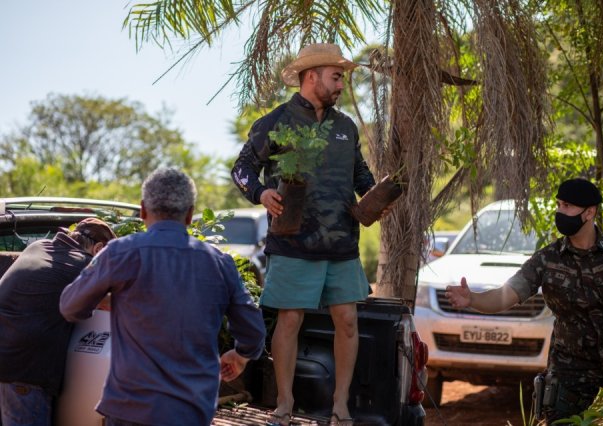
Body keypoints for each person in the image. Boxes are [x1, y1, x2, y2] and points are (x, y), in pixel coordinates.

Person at [231, 43, 376, 426]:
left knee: (347, 320)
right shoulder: (275, 122)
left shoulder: (345, 126)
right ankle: (284, 403)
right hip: (293, 241)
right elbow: (242, 168)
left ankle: (340, 406)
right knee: (290, 320)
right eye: (337, 76)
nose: (342, 84)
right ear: (312, 76)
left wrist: (376, 196)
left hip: (342, 244)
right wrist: (260, 192)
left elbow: (360, 174)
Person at [59, 167, 267, 426]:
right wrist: (240, 355)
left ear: (143, 210)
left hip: (129, 408)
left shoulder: (120, 253)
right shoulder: (220, 263)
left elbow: (70, 306)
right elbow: (253, 330)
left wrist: (111, 299)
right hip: (191, 410)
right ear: (190, 215)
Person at [445, 178, 603, 424]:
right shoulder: (546, 260)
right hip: (571, 365)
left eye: (567, 206)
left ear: (590, 212)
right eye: (558, 204)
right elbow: (505, 296)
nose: (560, 212)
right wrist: (473, 299)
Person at [0, 217, 116, 426]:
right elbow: (112, 301)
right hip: (25, 369)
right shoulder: (80, 266)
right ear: (99, 249)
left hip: (8, 357)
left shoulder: (38, 246)